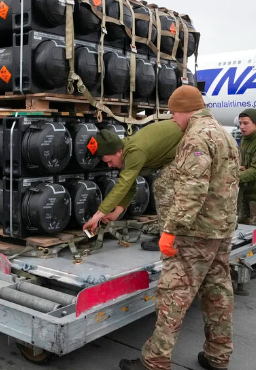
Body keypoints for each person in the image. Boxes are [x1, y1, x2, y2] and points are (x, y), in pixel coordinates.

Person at [120, 85, 240, 370]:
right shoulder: (225, 134)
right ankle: (218, 356)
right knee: (218, 293)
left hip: (195, 233)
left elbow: (192, 189)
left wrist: (171, 229)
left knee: (174, 294)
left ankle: (155, 361)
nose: (173, 120)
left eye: (174, 114)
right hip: (221, 230)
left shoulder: (196, 137)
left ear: (185, 110)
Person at [82, 120, 183, 250]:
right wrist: (115, 213)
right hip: (178, 149)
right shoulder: (126, 151)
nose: (110, 165)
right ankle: (171, 234)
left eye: (110, 161)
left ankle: (170, 238)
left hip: (190, 143)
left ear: (118, 152)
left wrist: (96, 217)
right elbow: (129, 186)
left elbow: (123, 185)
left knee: (162, 186)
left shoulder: (134, 152)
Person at [237, 108, 256, 225]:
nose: (242, 127)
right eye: (240, 123)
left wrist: (234, 176)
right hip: (244, 194)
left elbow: (254, 170)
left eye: (246, 123)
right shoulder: (244, 139)